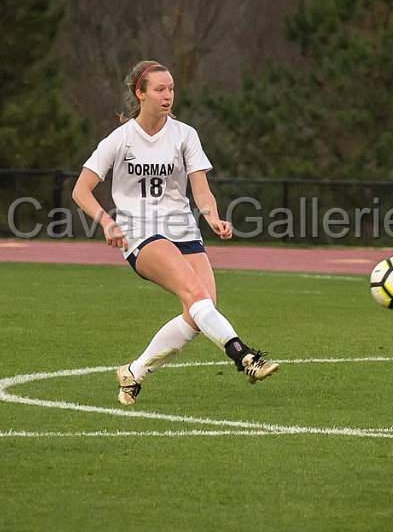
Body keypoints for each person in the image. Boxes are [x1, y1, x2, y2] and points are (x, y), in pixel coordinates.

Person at [72, 59, 279, 405]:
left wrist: (211, 215)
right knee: (196, 296)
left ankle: (134, 372)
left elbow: (200, 186)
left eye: (171, 88)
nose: (168, 95)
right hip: (140, 232)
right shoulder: (120, 140)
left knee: (201, 310)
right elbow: (81, 190)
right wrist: (107, 222)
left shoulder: (185, 134)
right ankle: (244, 356)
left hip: (183, 229)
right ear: (140, 93)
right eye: (160, 89)